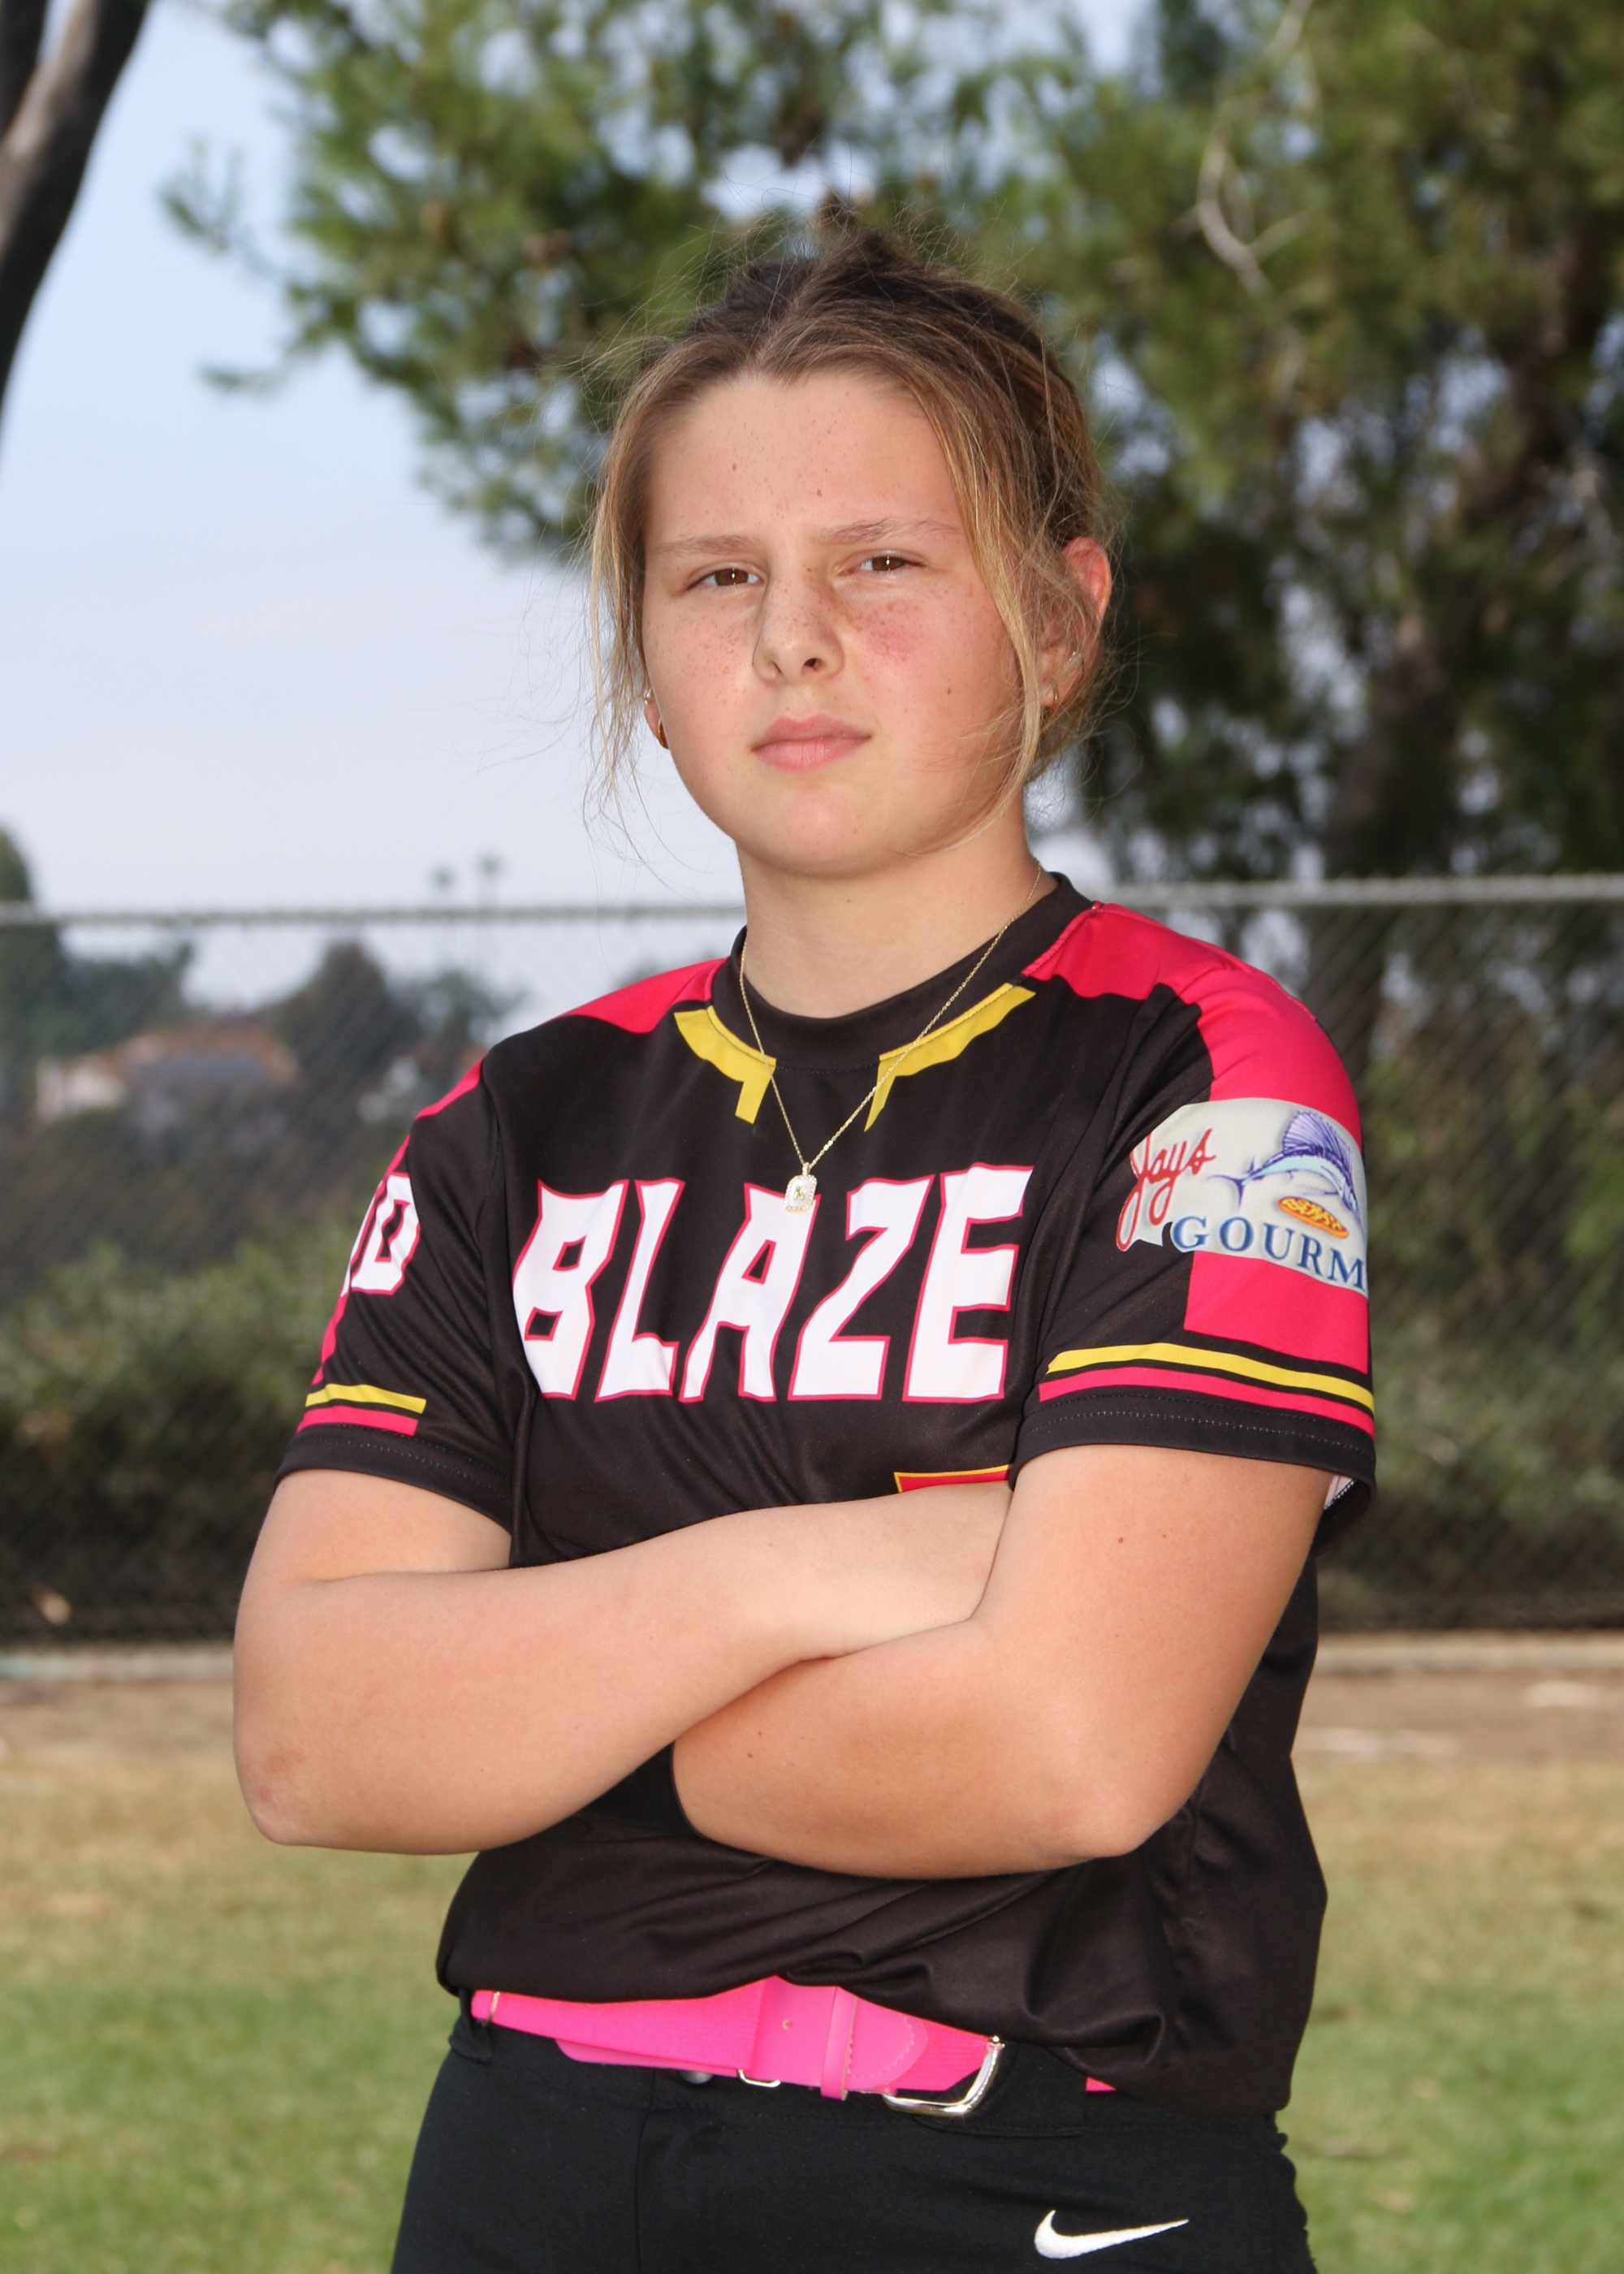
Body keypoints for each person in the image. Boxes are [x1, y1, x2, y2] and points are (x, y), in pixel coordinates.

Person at [235, 234, 1375, 2272]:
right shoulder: (517, 1121)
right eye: (714, 576)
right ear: (643, 646)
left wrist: (553, 1707)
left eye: (881, 561)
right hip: (534, 2153)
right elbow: (314, 1732)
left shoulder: (1204, 1077)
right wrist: (816, 1571)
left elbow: (1070, 1745)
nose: (790, 640)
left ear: (1057, 618)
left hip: (1025, 2164)